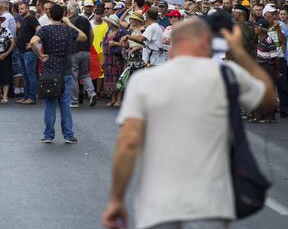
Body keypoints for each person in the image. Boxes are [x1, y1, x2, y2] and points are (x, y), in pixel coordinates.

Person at [103, 19, 277, 229]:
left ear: (172, 44)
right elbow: (268, 100)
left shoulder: (145, 81)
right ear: (207, 43)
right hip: (210, 204)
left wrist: (117, 198)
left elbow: (128, 142)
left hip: (159, 205)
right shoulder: (225, 75)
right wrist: (240, 52)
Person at [30, 3, 87, 144]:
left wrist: (40, 55)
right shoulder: (68, 30)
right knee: (65, 105)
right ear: (63, 15)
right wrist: (69, 24)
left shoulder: (44, 30)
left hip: (49, 71)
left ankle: (48, 135)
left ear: (49, 15)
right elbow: (83, 37)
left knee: (50, 105)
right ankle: (68, 135)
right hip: (65, 70)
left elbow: (32, 42)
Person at [15, 1, 40, 104]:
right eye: (19, 9)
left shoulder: (31, 18)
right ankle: (26, 96)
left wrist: (32, 42)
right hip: (21, 51)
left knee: (30, 75)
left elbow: (39, 29)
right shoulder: (23, 19)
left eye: (22, 8)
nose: (20, 10)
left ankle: (32, 97)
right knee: (25, 75)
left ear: (28, 9)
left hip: (29, 52)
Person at [103, 15, 127, 108]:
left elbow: (125, 44)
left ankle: (119, 100)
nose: (107, 23)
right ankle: (113, 100)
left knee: (118, 78)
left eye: (108, 22)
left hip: (117, 58)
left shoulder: (121, 32)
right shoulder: (108, 31)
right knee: (110, 78)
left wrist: (115, 43)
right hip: (108, 59)